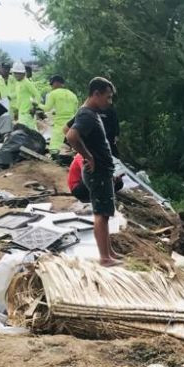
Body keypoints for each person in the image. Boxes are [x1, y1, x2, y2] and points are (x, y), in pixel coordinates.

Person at [65, 77, 121, 267]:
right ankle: (104, 258)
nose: (109, 101)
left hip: (103, 172)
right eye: (108, 97)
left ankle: (109, 252)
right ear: (96, 94)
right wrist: (88, 157)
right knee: (101, 214)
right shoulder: (87, 114)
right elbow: (71, 135)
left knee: (105, 213)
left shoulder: (91, 113)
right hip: (96, 174)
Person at [42, 75, 79, 158]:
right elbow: (76, 111)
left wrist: (37, 104)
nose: (51, 86)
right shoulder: (72, 95)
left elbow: (47, 108)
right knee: (72, 142)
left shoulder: (53, 93)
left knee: (54, 145)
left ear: (56, 83)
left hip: (59, 123)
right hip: (71, 123)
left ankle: (55, 158)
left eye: (52, 84)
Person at [11, 61, 40, 130]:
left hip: (28, 113)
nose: (16, 75)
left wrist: (34, 107)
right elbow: (19, 98)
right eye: (15, 73)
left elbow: (37, 95)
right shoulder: (18, 83)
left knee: (31, 132)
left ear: (23, 73)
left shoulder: (27, 83)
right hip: (21, 113)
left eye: (19, 73)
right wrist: (16, 111)